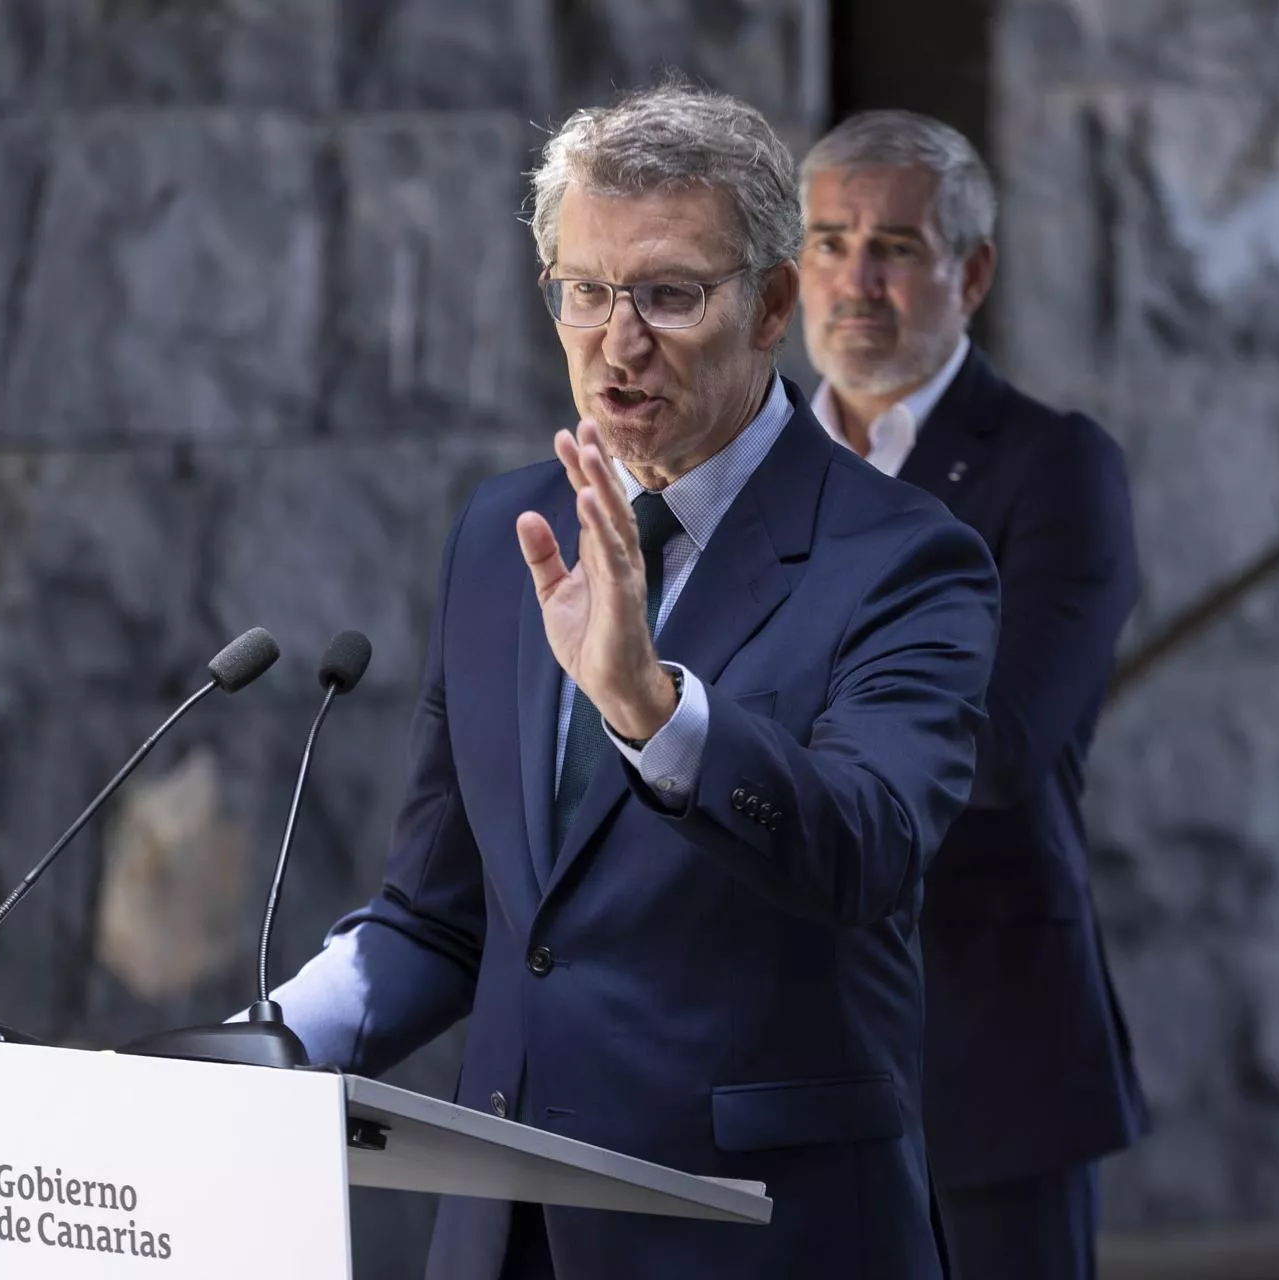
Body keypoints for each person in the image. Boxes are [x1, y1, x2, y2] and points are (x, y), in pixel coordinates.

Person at [260, 83, 1000, 1280]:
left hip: (754, 1235)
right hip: (506, 1236)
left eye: (667, 292)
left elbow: (868, 850)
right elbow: (443, 912)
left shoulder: (905, 557)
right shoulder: (507, 529)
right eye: (585, 290)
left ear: (769, 305)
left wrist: (655, 713)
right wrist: (271, 1044)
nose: (618, 338)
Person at [795, 110, 1149, 1280]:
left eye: (893, 246)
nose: (855, 280)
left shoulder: (1057, 467)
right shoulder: (742, 470)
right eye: (829, 241)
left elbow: (995, 746)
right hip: (767, 1059)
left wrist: (726, 719)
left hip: (985, 1054)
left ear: (973, 271)